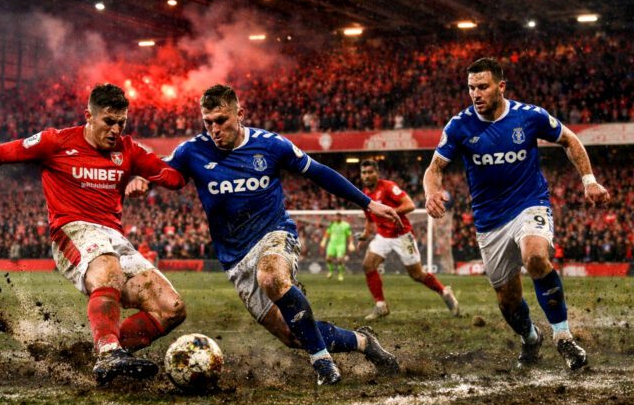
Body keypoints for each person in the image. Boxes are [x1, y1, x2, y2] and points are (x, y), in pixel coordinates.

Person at [0, 83, 187, 385]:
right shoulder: (56, 142)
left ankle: (100, 353)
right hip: (72, 230)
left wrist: (148, 180)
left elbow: (174, 178)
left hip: (114, 237)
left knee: (172, 309)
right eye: (108, 122)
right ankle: (109, 351)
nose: (115, 130)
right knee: (108, 268)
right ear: (89, 116)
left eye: (121, 123)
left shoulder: (128, 150)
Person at [152, 84, 403, 386]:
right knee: (293, 335)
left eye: (221, 120)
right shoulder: (192, 151)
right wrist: (140, 180)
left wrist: (369, 202)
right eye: (208, 122)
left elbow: (320, 173)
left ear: (239, 114)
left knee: (271, 277)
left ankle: (322, 363)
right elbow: (160, 171)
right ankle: (364, 343)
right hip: (235, 258)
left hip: (275, 234)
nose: (214, 129)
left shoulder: (270, 145)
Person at [423, 57, 610, 370]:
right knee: (508, 301)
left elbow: (569, 138)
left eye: (483, 86)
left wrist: (589, 181)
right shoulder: (459, 125)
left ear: (501, 86)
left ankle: (563, 337)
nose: (476, 93)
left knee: (535, 257)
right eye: (471, 88)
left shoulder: (529, 116)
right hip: (489, 220)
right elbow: (435, 168)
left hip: (529, 203)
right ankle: (530, 336)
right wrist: (431, 194)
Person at [358, 159, 460, 320]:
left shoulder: (388, 187)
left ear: (377, 173)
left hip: (402, 235)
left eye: (370, 172)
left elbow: (410, 205)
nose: (367, 175)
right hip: (383, 236)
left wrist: (389, 212)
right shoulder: (364, 194)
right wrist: (364, 235)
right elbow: (370, 219)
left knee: (417, 274)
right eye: (364, 173)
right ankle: (381, 305)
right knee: (368, 265)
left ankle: (444, 292)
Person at [319, 212, 355, 281]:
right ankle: (331, 271)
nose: (337, 218)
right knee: (328, 258)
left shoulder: (346, 225)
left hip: (341, 245)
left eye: (338, 217)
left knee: (339, 259)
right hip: (332, 244)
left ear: (341, 217)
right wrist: (324, 240)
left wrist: (351, 243)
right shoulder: (332, 224)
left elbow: (349, 235)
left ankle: (341, 273)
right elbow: (327, 233)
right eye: (336, 216)